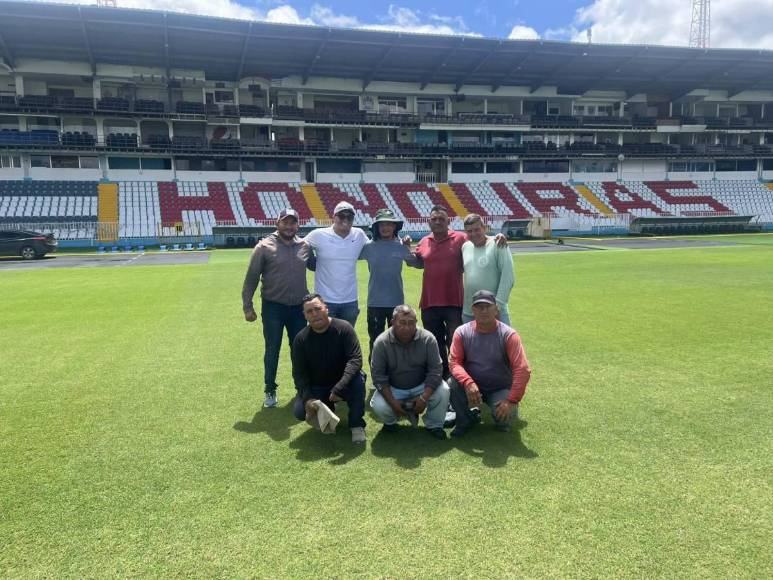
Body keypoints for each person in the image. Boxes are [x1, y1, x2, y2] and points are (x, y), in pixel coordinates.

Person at [405, 205, 507, 379]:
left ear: (448, 221)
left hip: (454, 302)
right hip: (429, 303)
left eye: (441, 219)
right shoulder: (423, 241)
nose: (437, 222)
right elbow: (417, 263)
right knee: (435, 344)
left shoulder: (460, 238)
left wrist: (495, 237)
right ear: (429, 222)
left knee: (456, 343)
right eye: (434, 219)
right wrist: (406, 250)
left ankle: (459, 377)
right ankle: (442, 377)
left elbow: (479, 238)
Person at [242, 208, 312, 408]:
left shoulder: (305, 245)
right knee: (272, 349)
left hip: (299, 308)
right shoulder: (264, 247)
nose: (289, 226)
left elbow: (318, 266)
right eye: (285, 222)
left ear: (298, 225)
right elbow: (251, 278)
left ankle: (301, 389)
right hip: (273, 308)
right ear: (277, 223)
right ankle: (270, 389)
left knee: (299, 350)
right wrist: (248, 307)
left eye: (293, 222)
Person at [448, 289, 531, 437]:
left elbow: (523, 369)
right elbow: (454, 362)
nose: (484, 311)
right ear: (473, 310)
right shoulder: (462, 332)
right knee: (452, 383)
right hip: (471, 386)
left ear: (496, 309)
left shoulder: (509, 335)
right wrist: (468, 382)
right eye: (479, 307)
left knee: (504, 421)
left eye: (488, 306)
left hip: (499, 387)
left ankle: (495, 409)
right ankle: (465, 419)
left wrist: (511, 400)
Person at [291, 293, 367, 444]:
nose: (314, 314)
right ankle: (328, 409)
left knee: (358, 382)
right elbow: (299, 373)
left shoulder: (344, 328)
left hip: (344, 382)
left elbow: (355, 360)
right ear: (304, 316)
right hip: (318, 385)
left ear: (326, 308)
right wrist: (308, 398)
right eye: (309, 312)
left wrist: (339, 387)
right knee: (300, 411)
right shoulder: (300, 339)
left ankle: (357, 425)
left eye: (317, 309)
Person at [369, 305, 450, 439]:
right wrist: (393, 403)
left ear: (416, 322)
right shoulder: (381, 342)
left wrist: (423, 398)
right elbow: (378, 377)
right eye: (402, 323)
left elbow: (435, 371)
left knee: (444, 390)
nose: (407, 327)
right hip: (394, 388)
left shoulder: (428, 339)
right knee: (379, 405)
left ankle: (434, 425)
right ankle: (390, 423)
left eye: (411, 323)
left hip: (421, 385)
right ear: (392, 322)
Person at [358, 208, 419, 363]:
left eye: (389, 224)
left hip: (396, 303)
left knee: (399, 340)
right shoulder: (368, 247)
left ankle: (397, 375)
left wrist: (408, 247)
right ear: (376, 228)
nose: (385, 228)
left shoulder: (400, 245)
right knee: (376, 341)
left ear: (394, 227)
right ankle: (376, 378)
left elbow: (415, 263)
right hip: (375, 302)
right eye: (382, 224)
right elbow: (347, 257)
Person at [303, 201, 368, 327]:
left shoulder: (359, 234)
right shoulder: (318, 235)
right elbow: (297, 245)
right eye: (341, 216)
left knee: (346, 340)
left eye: (349, 217)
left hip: (350, 301)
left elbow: (376, 246)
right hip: (324, 301)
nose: (345, 219)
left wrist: (400, 241)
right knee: (323, 339)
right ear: (334, 217)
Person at [461, 213, 515, 326]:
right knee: (472, 344)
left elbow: (508, 277)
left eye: (477, 229)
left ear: (484, 228)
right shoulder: (465, 247)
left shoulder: (498, 244)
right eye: (469, 231)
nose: (473, 234)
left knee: (500, 343)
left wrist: (497, 307)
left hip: (494, 311)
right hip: (469, 312)